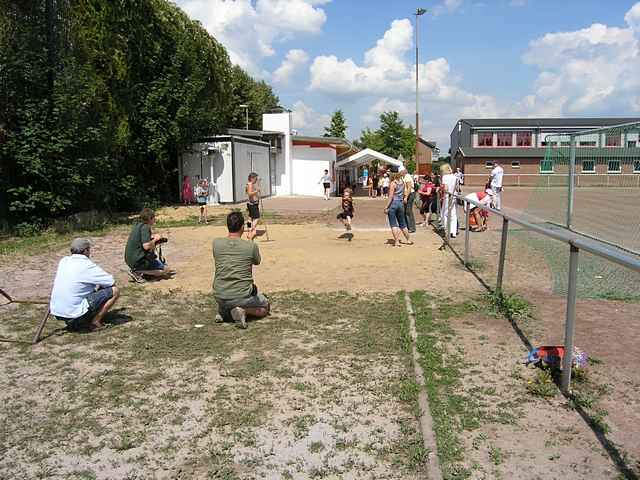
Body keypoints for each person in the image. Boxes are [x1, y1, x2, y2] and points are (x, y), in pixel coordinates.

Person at [213, 211, 270, 329]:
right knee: (265, 307)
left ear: (227, 226)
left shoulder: (216, 243)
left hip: (220, 294)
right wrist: (251, 240)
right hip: (241, 295)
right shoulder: (250, 246)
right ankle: (243, 310)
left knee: (228, 299)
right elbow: (256, 261)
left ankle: (224, 312)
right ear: (242, 227)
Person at [50, 238, 120, 331]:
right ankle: (95, 322)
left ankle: (78, 319)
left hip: (57, 311)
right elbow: (110, 281)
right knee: (115, 291)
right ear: (86, 250)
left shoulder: (64, 261)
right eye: (89, 249)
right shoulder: (86, 265)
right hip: (73, 312)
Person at [125, 208, 173, 281]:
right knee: (166, 270)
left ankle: (143, 272)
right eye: (154, 218)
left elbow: (141, 240)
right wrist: (155, 239)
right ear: (150, 218)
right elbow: (146, 246)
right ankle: (138, 272)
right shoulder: (146, 227)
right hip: (138, 261)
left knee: (160, 266)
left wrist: (152, 238)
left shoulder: (138, 225)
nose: (155, 219)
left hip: (131, 260)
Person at [384, 173, 413, 247]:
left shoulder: (393, 183)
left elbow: (390, 196)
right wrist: (405, 198)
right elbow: (404, 193)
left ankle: (396, 241)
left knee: (393, 223)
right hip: (401, 203)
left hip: (393, 203)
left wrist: (386, 207)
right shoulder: (402, 183)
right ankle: (408, 240)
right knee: (403, 223)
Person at [440, 163, 459, 238]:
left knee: (444, 214)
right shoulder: (455, 176)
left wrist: (441, 189)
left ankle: (446, 229)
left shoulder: (445, 177)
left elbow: (445, 188)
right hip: (454, 196)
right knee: (453, 214)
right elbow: (457, 188)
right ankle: (453, 232)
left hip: (448, 196)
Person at [400, 167, 416, 233]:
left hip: (410, 194)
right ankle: (406, 226)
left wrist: (406, 197)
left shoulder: (407, 176)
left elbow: (409, 187)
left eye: (400, 171)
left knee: (408, 211)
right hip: (407, 194)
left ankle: (412, 227)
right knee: (405, 211)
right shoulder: (403, 177)